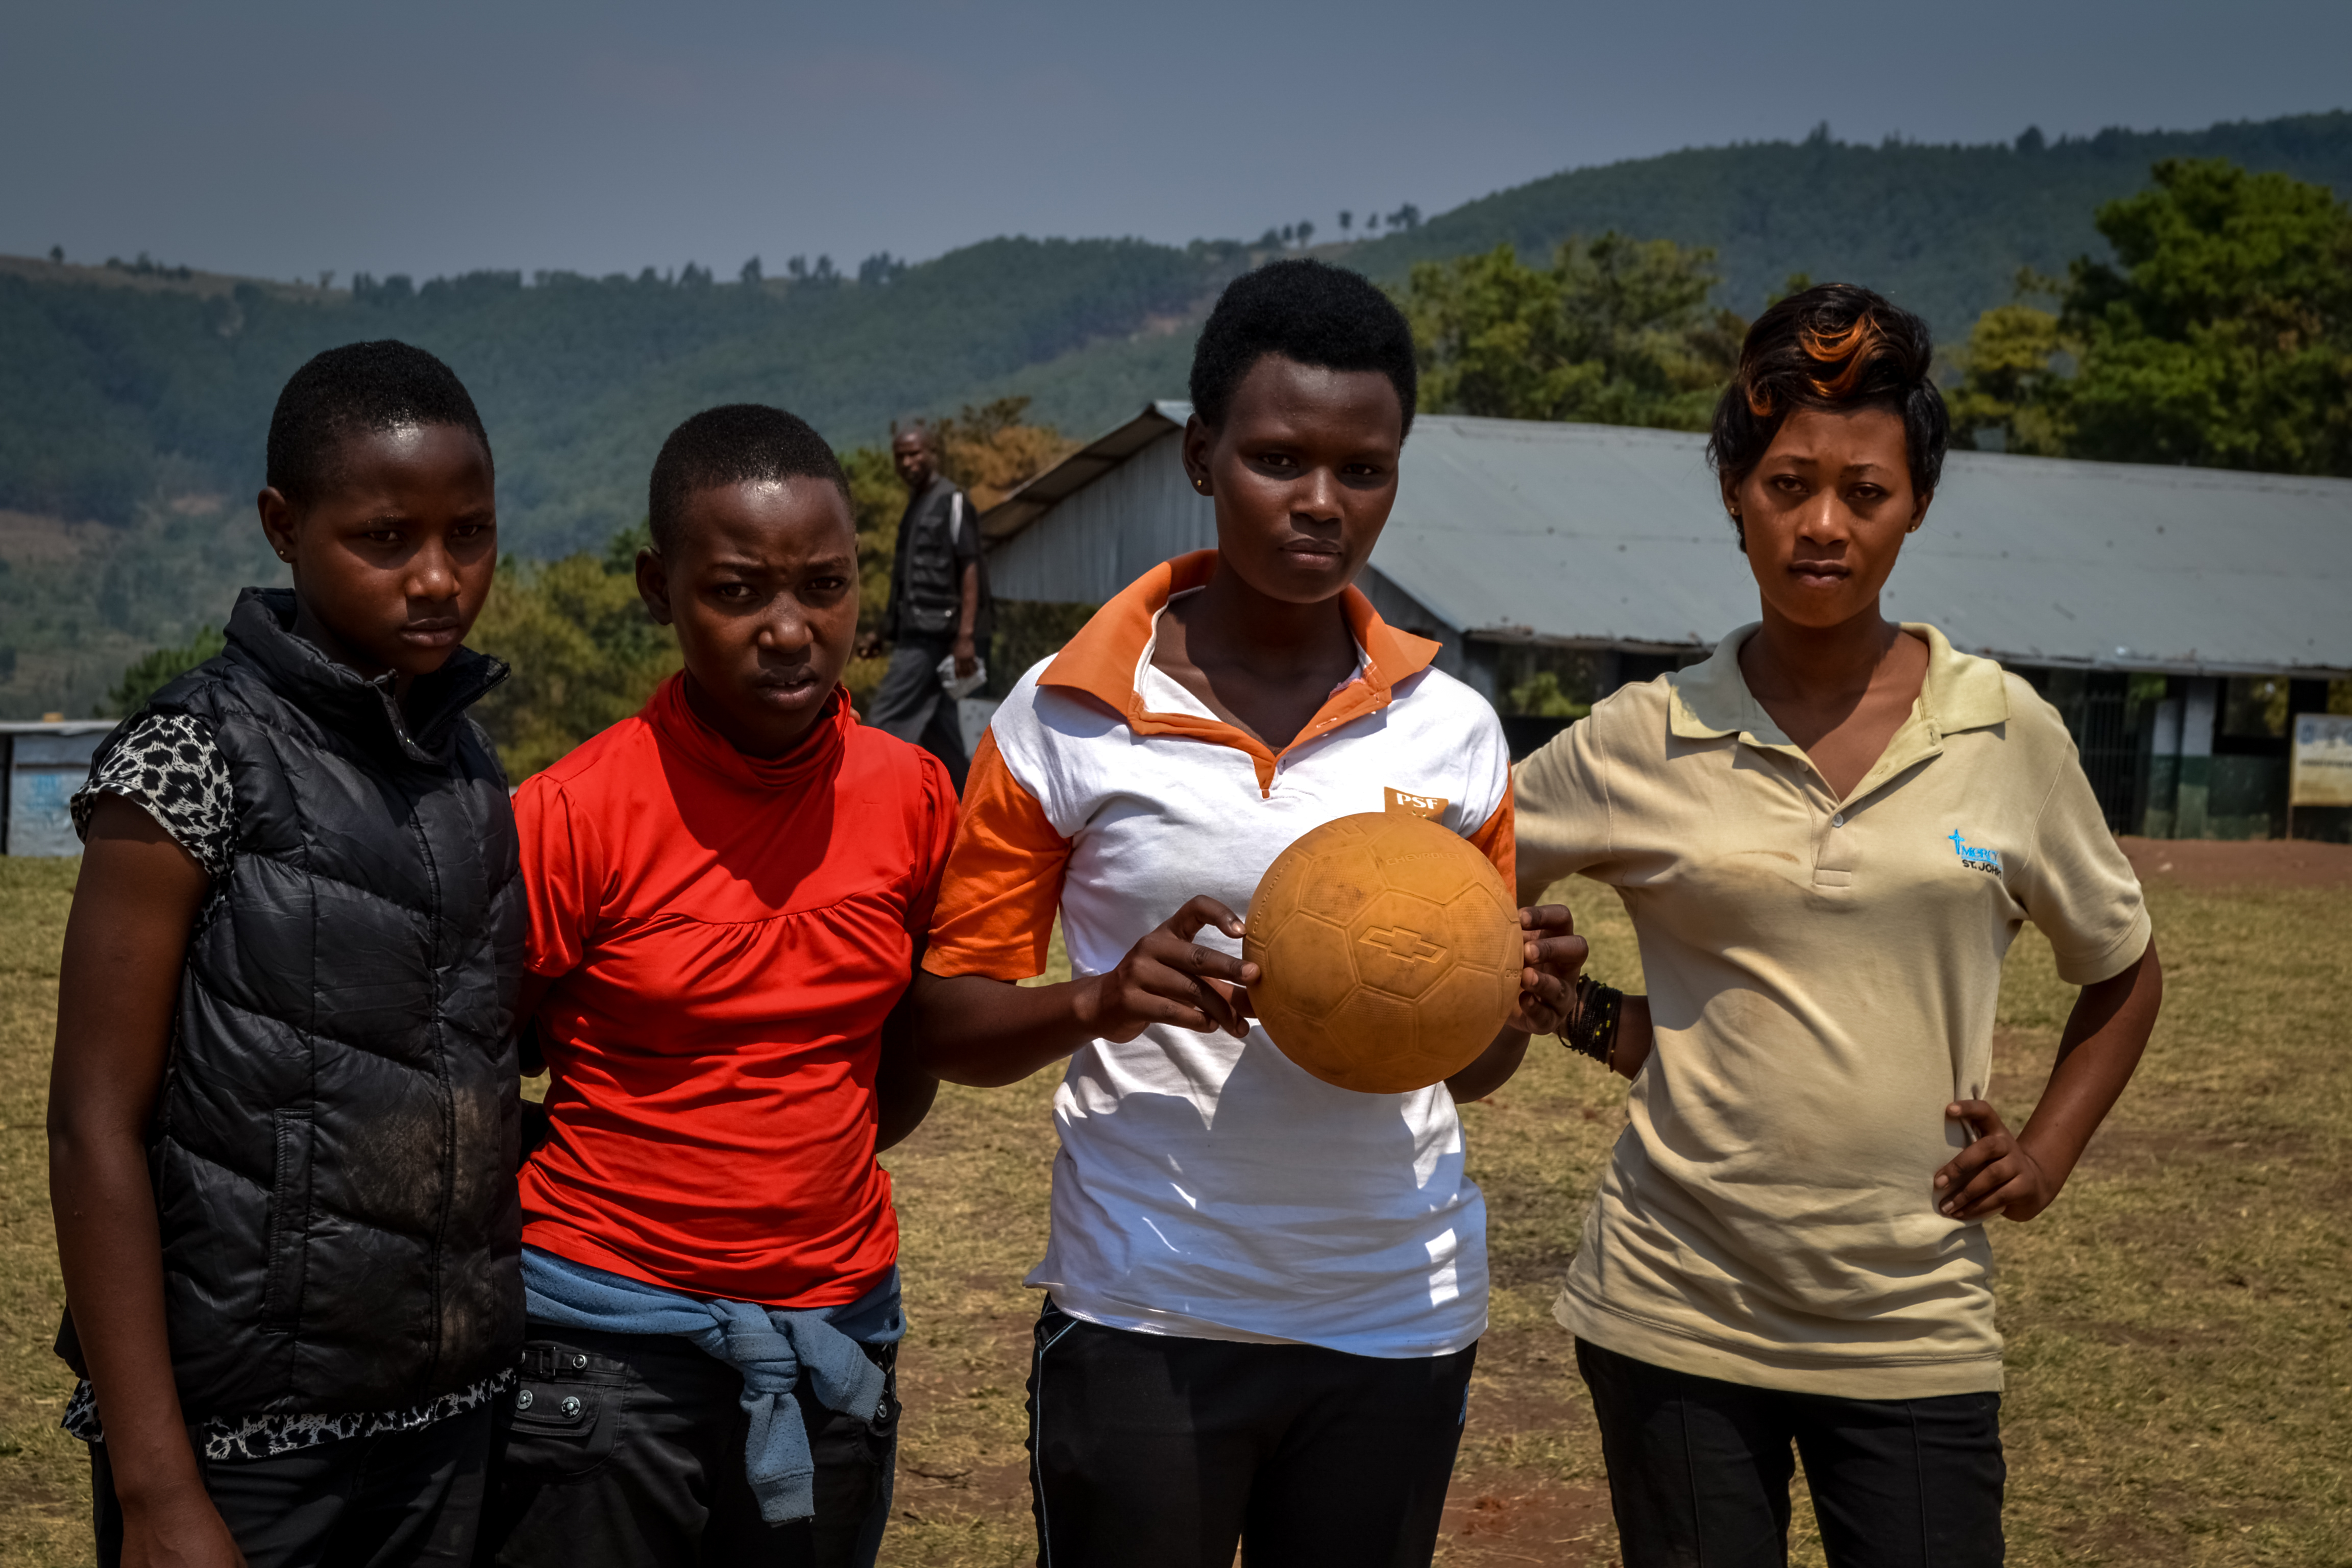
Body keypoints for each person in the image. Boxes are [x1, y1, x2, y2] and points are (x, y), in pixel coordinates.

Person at [908, 260, 1586, 1568]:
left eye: (1365, 469)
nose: (1322, 503)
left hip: (1396, 1310)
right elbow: (951, 1017)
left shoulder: (1451, 728)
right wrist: (1102, 998)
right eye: (1280, 458)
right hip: (1148, 1305)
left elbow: (1468, 1063)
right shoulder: (1063, 711)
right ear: (1201, 455)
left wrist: (1516, 999)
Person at [1513, 283, 2165, 1567]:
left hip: (1913, 1317)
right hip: (1674, 1309)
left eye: (1863, 493)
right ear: (1732, 494)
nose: (1822, 525)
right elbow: (1438, 872)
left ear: (1915, 504)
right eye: (1786, 484)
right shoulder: (1646, 732)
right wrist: (1561, 995)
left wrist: (2043, 1153)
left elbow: (2124, 969)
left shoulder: (2003, 729)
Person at [48, 340, 523, 1568]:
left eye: (468, 534)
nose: (437, 578)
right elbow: (92, 1121)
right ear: (283, 524)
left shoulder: (467, 765)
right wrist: (156, 1483)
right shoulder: (190, 756)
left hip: (445, 1422)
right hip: (241, 1445)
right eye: (385, 537)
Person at [477, 405, 952, 1568]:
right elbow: (477, 1054)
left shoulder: (916, 794)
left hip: (838, 1329)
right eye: (739, 591)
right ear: (660, 586)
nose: (790, 630)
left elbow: (905, 1052)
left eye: (827, 586)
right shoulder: (571, 813)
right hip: (599, 1348)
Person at [853, 425, 988, 789]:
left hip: (934, 638)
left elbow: (970, 568)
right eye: (901, 456)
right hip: (913, 631)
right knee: (940, 736)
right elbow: (907, 580)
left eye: (915, 453)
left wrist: (966, 636)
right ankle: (965, 810)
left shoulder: (952, 501)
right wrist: (883, 631)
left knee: (883, 723)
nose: (908, 462)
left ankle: (862, 798)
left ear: (933, 454)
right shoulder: (915, 505)